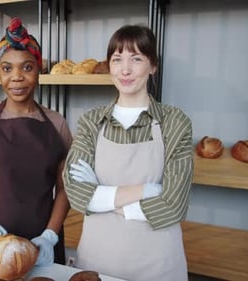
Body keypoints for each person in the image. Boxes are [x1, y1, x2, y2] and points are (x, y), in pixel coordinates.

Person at [63, 24, 193, 281]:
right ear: (109, 65)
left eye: (136, 59)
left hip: (158, 264)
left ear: (152, 66)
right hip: (98, 260)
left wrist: (104, 199)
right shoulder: (91, 121)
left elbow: (174, 205)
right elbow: (77, 194)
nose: (125, 69)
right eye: (117, 59)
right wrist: (146, 191)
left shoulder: (175, 121)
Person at [0, 17, 72, 266]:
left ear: (38, 71)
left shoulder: (57, 123)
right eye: (7, 68)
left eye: (27, 67)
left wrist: (50, 235)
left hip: (43, 242)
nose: (16, 77)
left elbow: (65, 188)